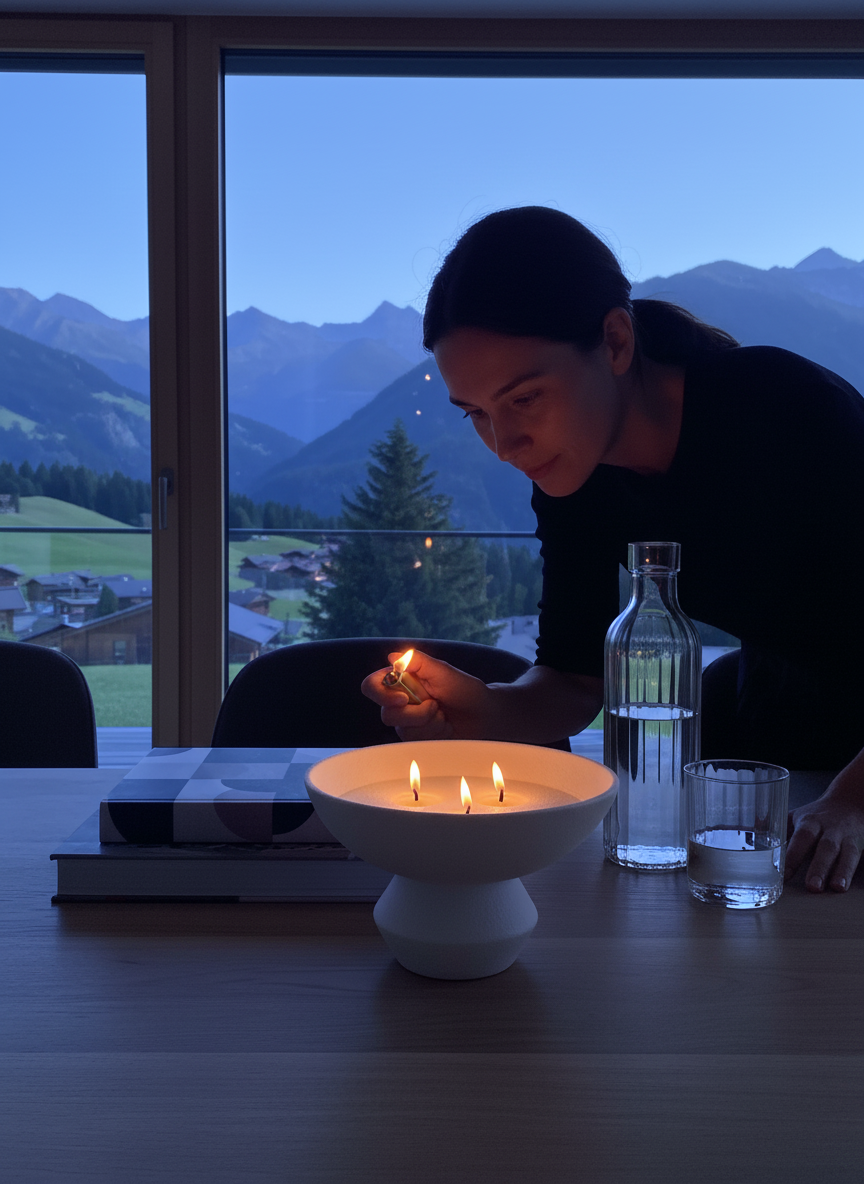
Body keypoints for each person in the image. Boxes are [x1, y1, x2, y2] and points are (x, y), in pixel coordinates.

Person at [361, 206, 864, 894]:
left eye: (525, 398)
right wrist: (481, 708)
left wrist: (854, 801)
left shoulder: (783, 409)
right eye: (476, 412)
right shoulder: (577, 482)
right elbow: (571, 685)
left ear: (617, 340)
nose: (504, 445)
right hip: (778, 743)